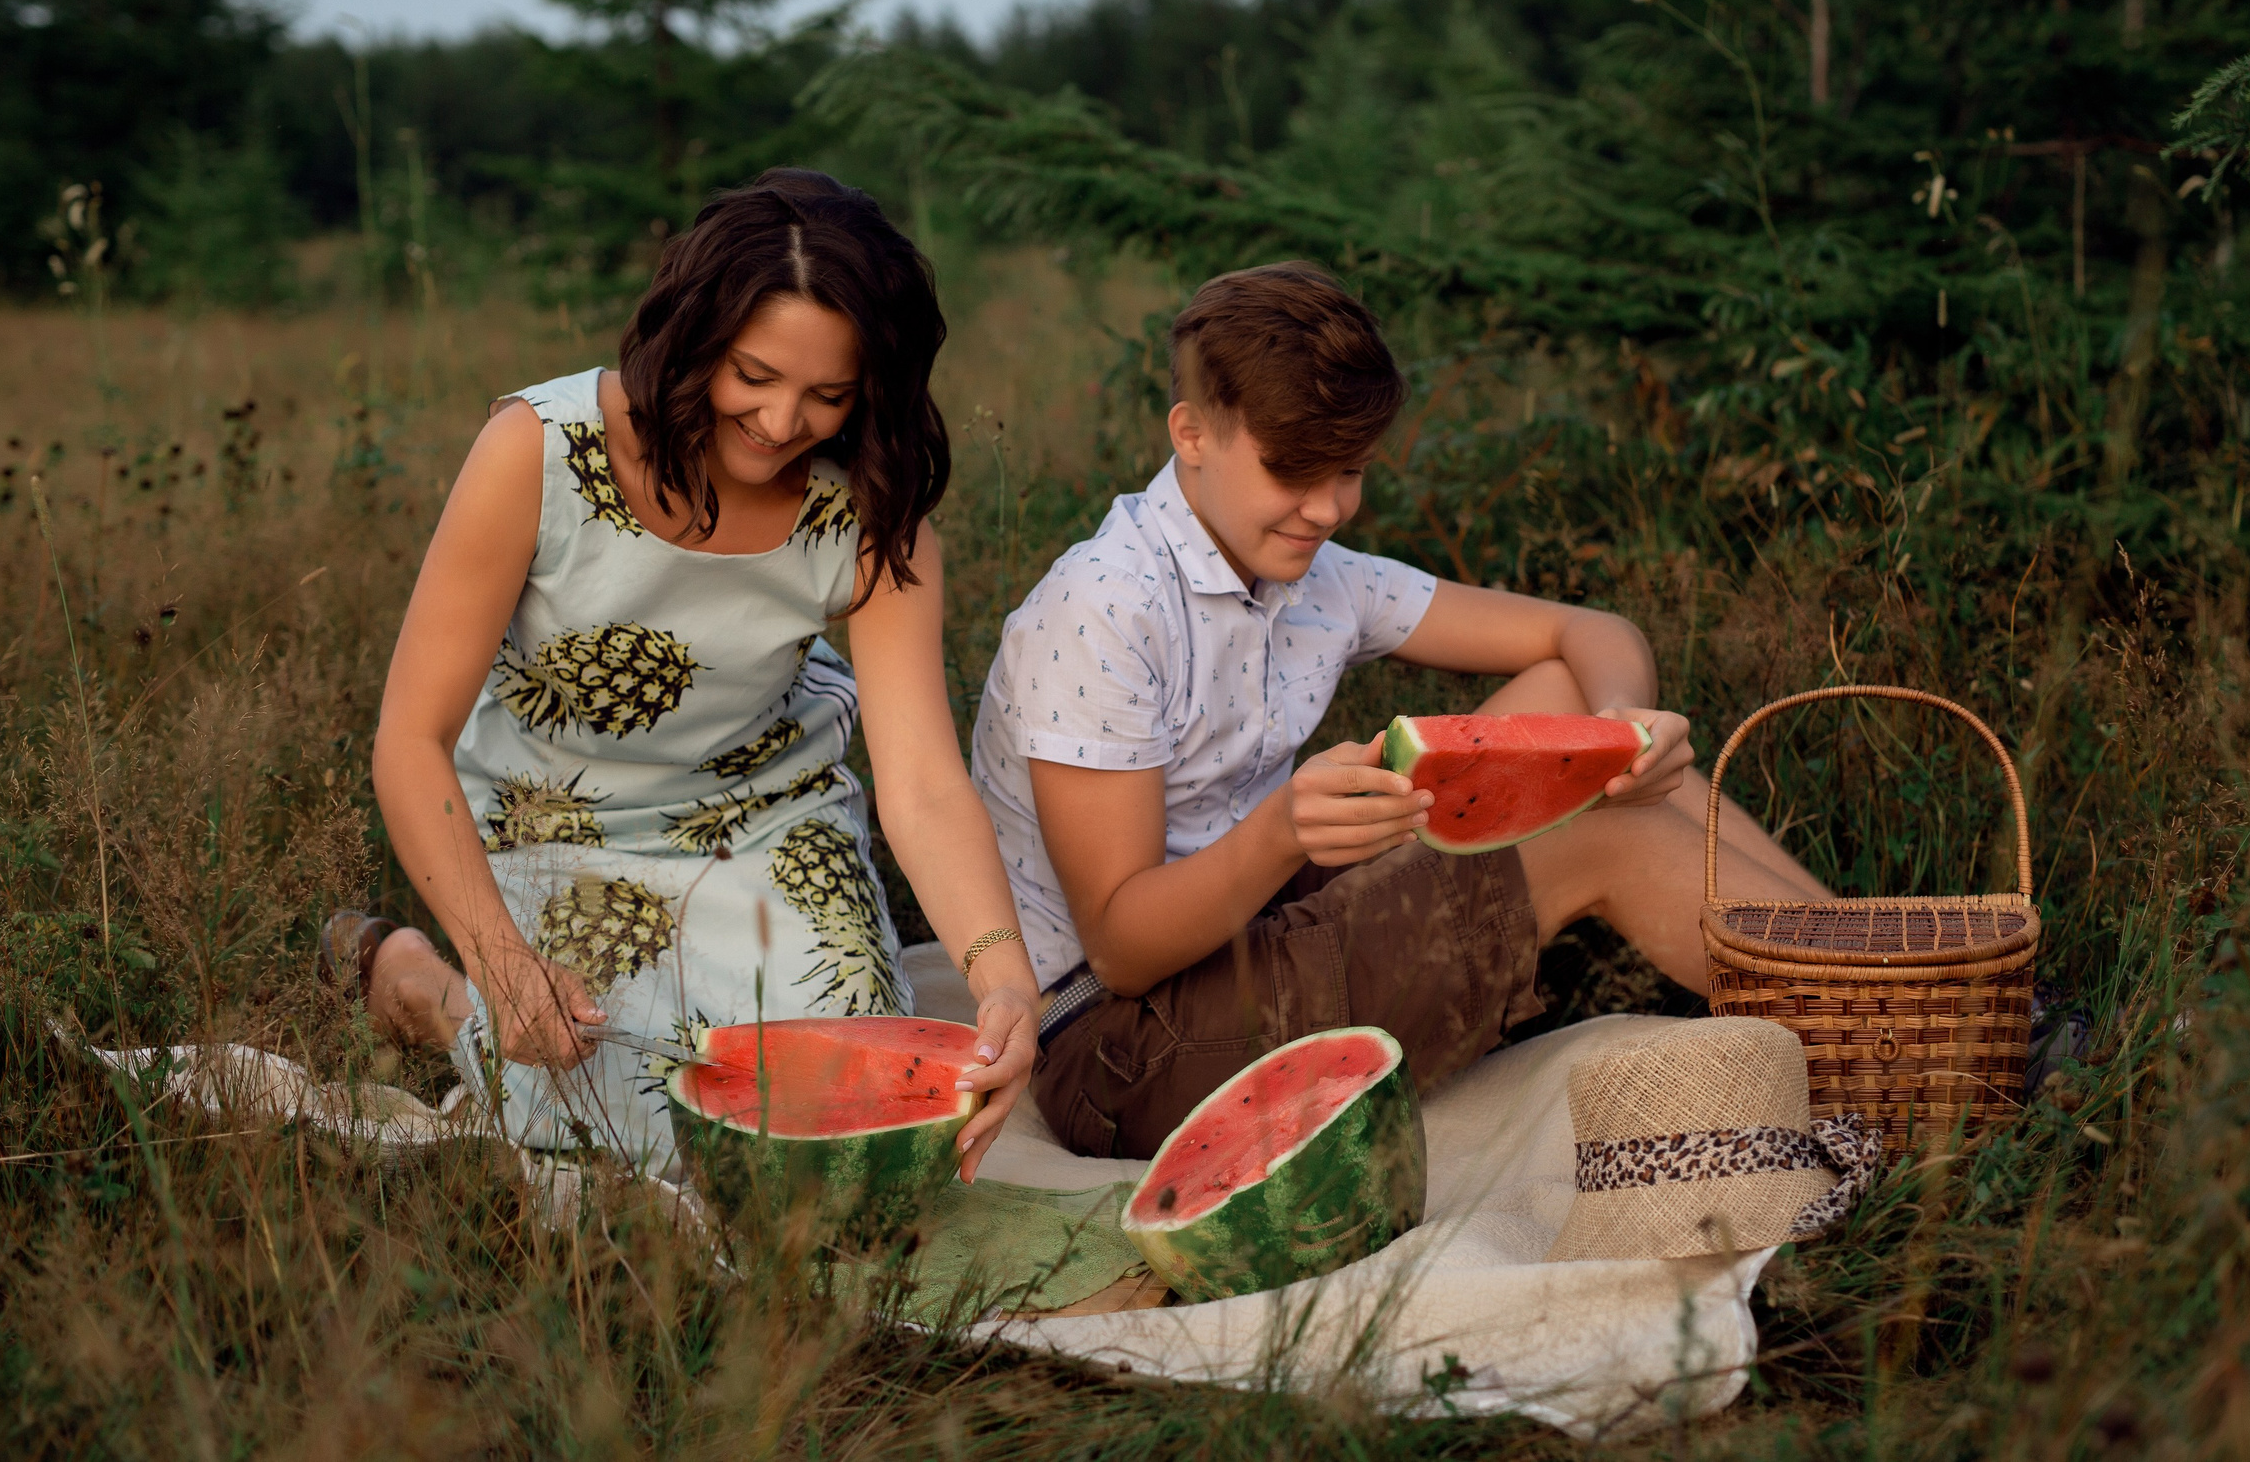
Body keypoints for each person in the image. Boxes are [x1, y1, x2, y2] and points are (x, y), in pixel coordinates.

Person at [968, 261, 1830, 1160]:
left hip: (1244, 935)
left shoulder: (1313, 572)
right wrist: (1282, 831)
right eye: (1291, 469)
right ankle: (1890, 1032)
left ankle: (1890, 981)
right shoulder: (1103, 607)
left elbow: (1585, 632)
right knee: (1604, 827)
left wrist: (1626, 723)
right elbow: (1119, 950)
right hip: (1119, 1045)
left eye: (1351, 470)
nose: (1327, 507)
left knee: (1586, 727)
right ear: (1192, 432)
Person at [327, 169, 1037, 1182]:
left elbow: (920, 781)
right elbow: (411, 737)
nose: (783, 421)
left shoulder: (871, 506)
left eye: (828, 395)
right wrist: (496, 955)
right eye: (753, 373)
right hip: (551, 821)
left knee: (840, 1108)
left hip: (767, 820)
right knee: (599, 1112)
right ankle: (426, 988)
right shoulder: (535, 450)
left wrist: (1003, 975)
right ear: (694, 333)